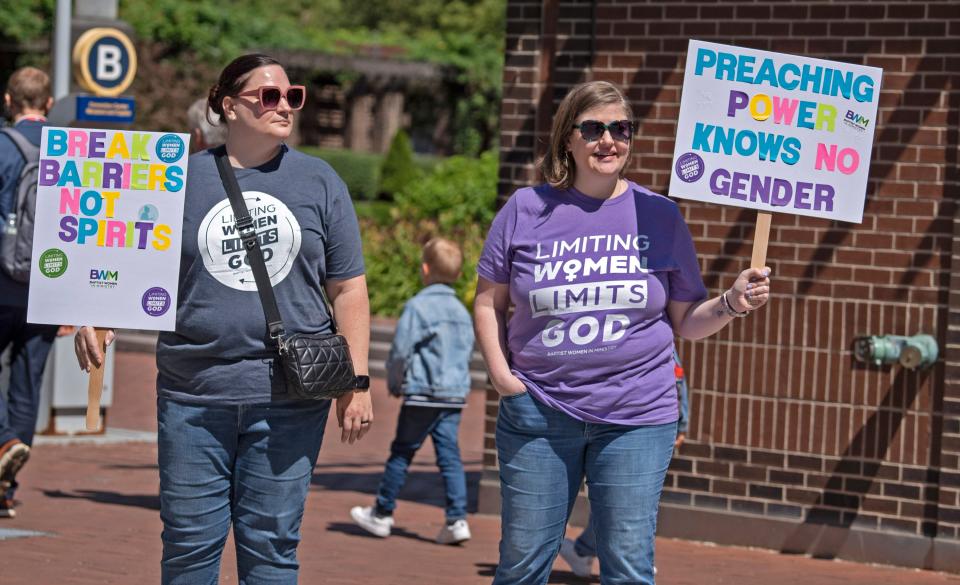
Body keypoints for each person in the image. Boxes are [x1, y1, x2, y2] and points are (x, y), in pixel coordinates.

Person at [75, 54, 373, 584]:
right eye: (269, 95)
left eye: (292, 96)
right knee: (189, 547)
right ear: (227, 105)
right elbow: (128, 265)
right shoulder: (177, 180)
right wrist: (96, 317)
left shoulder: (320, 181)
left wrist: (358, 380)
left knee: (272, 548)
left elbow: (348, 287)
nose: (284, 105)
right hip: (194, 395)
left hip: (290, 399)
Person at [474, 80, 771, 585]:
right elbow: (488, 301)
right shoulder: (526, 209)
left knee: (628, 566)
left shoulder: (659, 214)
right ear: (568, 138)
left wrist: (731, 303)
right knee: (522, 566)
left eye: (620, 129)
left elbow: (686, 322)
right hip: (540, 410)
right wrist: (502, 376)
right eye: (593, 129)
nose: (607, 140)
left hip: (637, 416)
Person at [350, 237, 475, 545]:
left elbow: (401, 351)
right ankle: (457, 519)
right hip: (453, 396)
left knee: (403, 452)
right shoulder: (462, 312)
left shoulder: (418, 307)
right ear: (458, 275)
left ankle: (382, 512)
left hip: (422, 393)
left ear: (424, 269)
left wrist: (394, 381)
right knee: (450, 457)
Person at [558, 348, 691, 578]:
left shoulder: (656, 340)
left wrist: (682, 422)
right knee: (613, 502)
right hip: (610, 421)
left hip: (646, 424)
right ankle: (607, 553)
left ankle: (617, 555)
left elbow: (676, 377)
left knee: (626, 503)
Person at [0, 67, 60, 519]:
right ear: (49, 104)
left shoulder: (2, 145)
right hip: (47, 288)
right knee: (27, 382)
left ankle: (5, 440)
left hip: (1, 283)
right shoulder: (69, 151)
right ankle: (5, 487)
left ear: (8, 100)